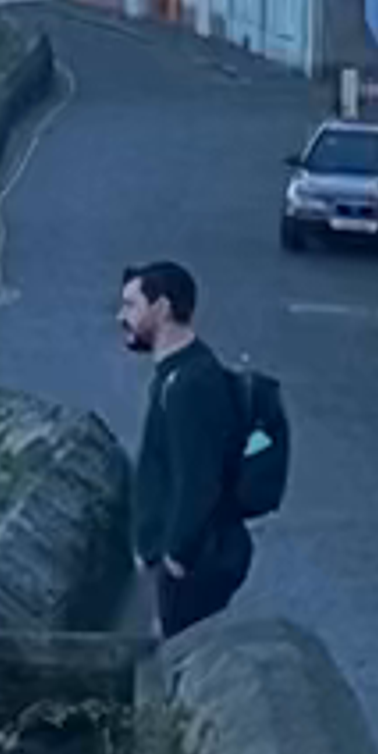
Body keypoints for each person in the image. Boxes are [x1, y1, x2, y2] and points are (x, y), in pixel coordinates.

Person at [117, 254, 250, 637]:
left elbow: (198, 479)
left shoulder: (190, 383)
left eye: (131, 305)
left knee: (174, 653)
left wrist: (176, 556)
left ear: (161, 308)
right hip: (174, 563)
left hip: (189, 566)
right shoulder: (175, 374)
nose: (121, 317)